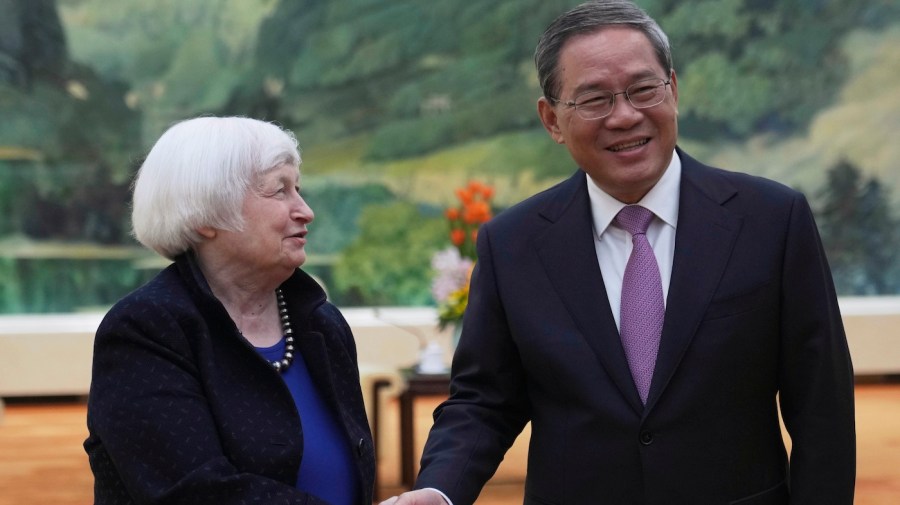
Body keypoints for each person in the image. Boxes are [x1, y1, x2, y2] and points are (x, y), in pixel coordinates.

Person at [382, 1, 856, 504]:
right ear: (552, 120)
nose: (625, 115)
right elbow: (483, 401)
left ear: (672, 90)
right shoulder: (513, 243)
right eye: (594, 99)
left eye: (643, 89)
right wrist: (439, 490)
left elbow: (821, 406)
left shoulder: (770, 220)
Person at [84, 116, 375, 505]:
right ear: (206, 214)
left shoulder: (322, 323)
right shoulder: (146, 329)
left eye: (298, 189)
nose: (305, 210)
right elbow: (195, 493)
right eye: (279, 191)